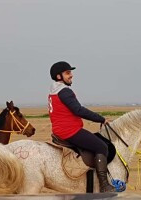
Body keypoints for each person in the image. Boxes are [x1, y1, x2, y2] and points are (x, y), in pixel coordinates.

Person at [48, 61, 115, 193]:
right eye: (67, 73)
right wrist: (101, 119)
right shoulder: (64, 91)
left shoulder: (53, 91)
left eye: (70, 72)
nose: (71, 75)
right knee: (101, 146)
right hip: (69, 131)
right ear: (58, 77)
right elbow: (78, 110)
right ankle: (104, 185)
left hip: (60, 129)